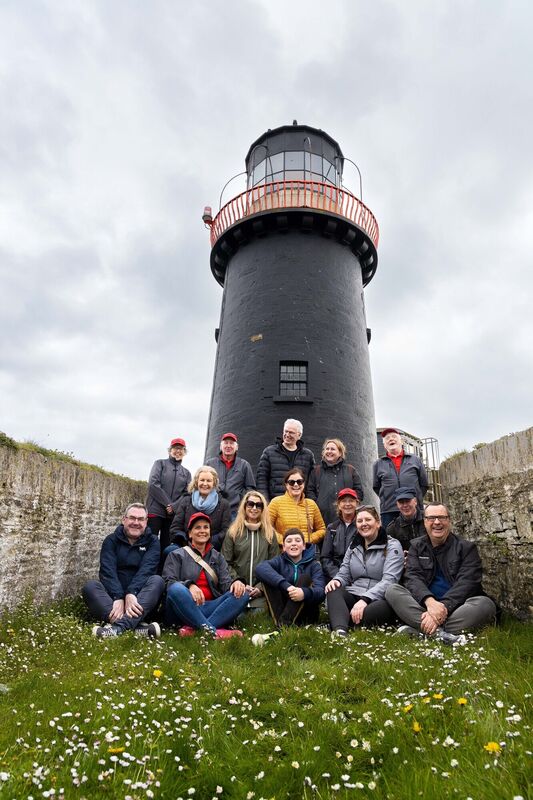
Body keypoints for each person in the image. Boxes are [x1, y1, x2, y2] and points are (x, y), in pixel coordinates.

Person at [385, 503, 497, 644]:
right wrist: (430, 602)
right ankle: (442, 634)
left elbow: (468, 583)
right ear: (425, 521)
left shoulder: (466, 548)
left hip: (457, 607)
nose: (437, 522)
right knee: (392, 590)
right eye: (431, 518)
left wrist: (443, 607)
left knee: (485, 604)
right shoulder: (416, 546)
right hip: (424, 605)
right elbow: (413, 578)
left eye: (441, 517)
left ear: (449, 520)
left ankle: (422, 629)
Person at [83, 503, 164, 639]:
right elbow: (107, 571)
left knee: (157, 581)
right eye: (132, 518)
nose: (136, 523)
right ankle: (138, 628)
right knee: (90, 587)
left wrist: (132, 593)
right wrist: (118, 596)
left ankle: (117, 629)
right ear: (123, 519)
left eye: (140, 519)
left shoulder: (153, 542)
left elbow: (147, 570)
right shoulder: (111, 540)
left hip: (140, 600)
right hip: (114, 602)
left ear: (146, 522)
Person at [163, 512, 249, 637]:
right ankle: (213, 631)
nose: (202, 531)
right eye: (197, 527)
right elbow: (168, 583)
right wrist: (189, 585)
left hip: (210, 607)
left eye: (206, 527)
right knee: (176, 588)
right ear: (190, 533)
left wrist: (236, 583)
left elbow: (226, 585)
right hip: (184, 607)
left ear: (209, 532)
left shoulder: (217, 557)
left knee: (242, 593)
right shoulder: (176, 555)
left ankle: (196, 629)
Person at [325, 505, 403, 636]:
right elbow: (344, 573)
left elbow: (390, 580)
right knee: (333, 590)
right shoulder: (354, 545)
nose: (364, 524)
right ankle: (340, 631)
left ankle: (341, 619)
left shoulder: (392, 546)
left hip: (379, 599)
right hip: (354, 593)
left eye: (368, 520)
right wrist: (337, 580)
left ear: (378, 523)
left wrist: (365, 599)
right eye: (360, 521)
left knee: (373, 611)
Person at [221, 490, 280, 611]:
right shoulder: (233, 532)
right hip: (238, 589)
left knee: (257, 616)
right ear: (244, 506)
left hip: (261, 591)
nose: (254, 508)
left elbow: (275, 564)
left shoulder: (270, 533)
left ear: (263, 509)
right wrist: (237, 581)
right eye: (250, 504)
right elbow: (225, 562)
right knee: (238, 617)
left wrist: (261, 588)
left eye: (259, 505)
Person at [255, 528, 325, 626]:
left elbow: (321, 592)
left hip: (306, 613)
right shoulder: (279, 561)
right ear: (283, 547)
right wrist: (286, 585)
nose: (293, 543)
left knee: (305, 578)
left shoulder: (314, 565)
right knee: (269, 578)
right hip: (281, 609)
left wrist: (304, 593)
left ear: (304, 546)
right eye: (289, 541)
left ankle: (282, 625)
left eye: (297, 540)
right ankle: (283, 624)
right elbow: (260, 568)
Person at [373, 428, 429, 529]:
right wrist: (388, 498)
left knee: (418, 539)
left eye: (394, 437)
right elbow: (376, 487)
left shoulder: (415, 460)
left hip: (413, 508)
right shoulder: (378, 464)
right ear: (384, 445)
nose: (391, 439)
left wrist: (415, 498)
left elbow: (424, 484)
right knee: (391, 541)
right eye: (387, 438)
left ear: (401, 441)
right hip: (389, 510)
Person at [146, 437, 191, 558]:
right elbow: (153, 485)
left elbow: (187, 493)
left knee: (166, 546)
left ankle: (162, 573)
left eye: (181, 449)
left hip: (172, 514)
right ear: (170, 450)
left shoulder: (186, 473)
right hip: (155, 510)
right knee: (149, 542)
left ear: (184, 452)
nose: (178, 451)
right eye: (175, 448)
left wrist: (174, 507)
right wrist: (168, 504)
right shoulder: (159, 464)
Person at [168, 466, 231, 551]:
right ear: (197, 481)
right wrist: (190, 542)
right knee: (169, 550)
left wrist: (207, 542)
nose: (205, 484)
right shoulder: (186, 501)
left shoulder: (224, 504)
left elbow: (226, 531)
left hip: (212, 548)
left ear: (214, 483)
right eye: (202, 480)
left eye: (209, 481)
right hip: (187, 546)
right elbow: (175, 528)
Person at [307, 438, 364, 525]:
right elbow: (310, 491)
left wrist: (349, 506)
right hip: (322, 518)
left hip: (347, 519)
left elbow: (359, 492)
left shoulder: (350, 470)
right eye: (327, 449)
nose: (329, 451)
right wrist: (318, 505)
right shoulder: (316, 471)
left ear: (340, 453)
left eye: (333, 449)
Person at [256, 419, 315, 502]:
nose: (287, 435)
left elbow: (311, 483)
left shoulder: (308, 455)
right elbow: (261, 479)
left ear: (299, 435)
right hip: (276, 503)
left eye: (291, 432)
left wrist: (309, 503)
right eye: (285, 431)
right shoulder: (269, 452)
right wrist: (265, 502)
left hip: (299, 504)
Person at [268, 467, 326, 549]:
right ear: (286, 485)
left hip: (306, 553)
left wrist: (308, 540)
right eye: (292, 482)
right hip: (283, 553)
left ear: (304, 484)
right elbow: (267, 528)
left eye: (299, 482)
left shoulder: (311, 504)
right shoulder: (276, 502)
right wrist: (286, 541)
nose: (296, 485)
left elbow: (322, 530)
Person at [206, 433, 256, 518]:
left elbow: (250, 489)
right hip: (212, 509)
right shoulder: (210, 463)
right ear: (221, 446)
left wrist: (240, 501)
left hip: (234, 512)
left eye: (232, 443)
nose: (228, 446)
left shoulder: (244, 465)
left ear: (236, 447)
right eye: (226, 443)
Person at [320, 488, 359, 581]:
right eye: (344, 501)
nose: (348, 504)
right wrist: (338, 576)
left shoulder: (362, 526)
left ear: (357, 503)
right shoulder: (332, 528)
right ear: (338, 505)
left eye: (351, 501)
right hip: (335, 576)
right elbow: (325, 558)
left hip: (357, 576)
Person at [386, 487, 425, 554]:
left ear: (415, 501)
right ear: (397, 504)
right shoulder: (392, 528)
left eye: (407, 501)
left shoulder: (428, 520)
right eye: (401, 502)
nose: (405, 505)